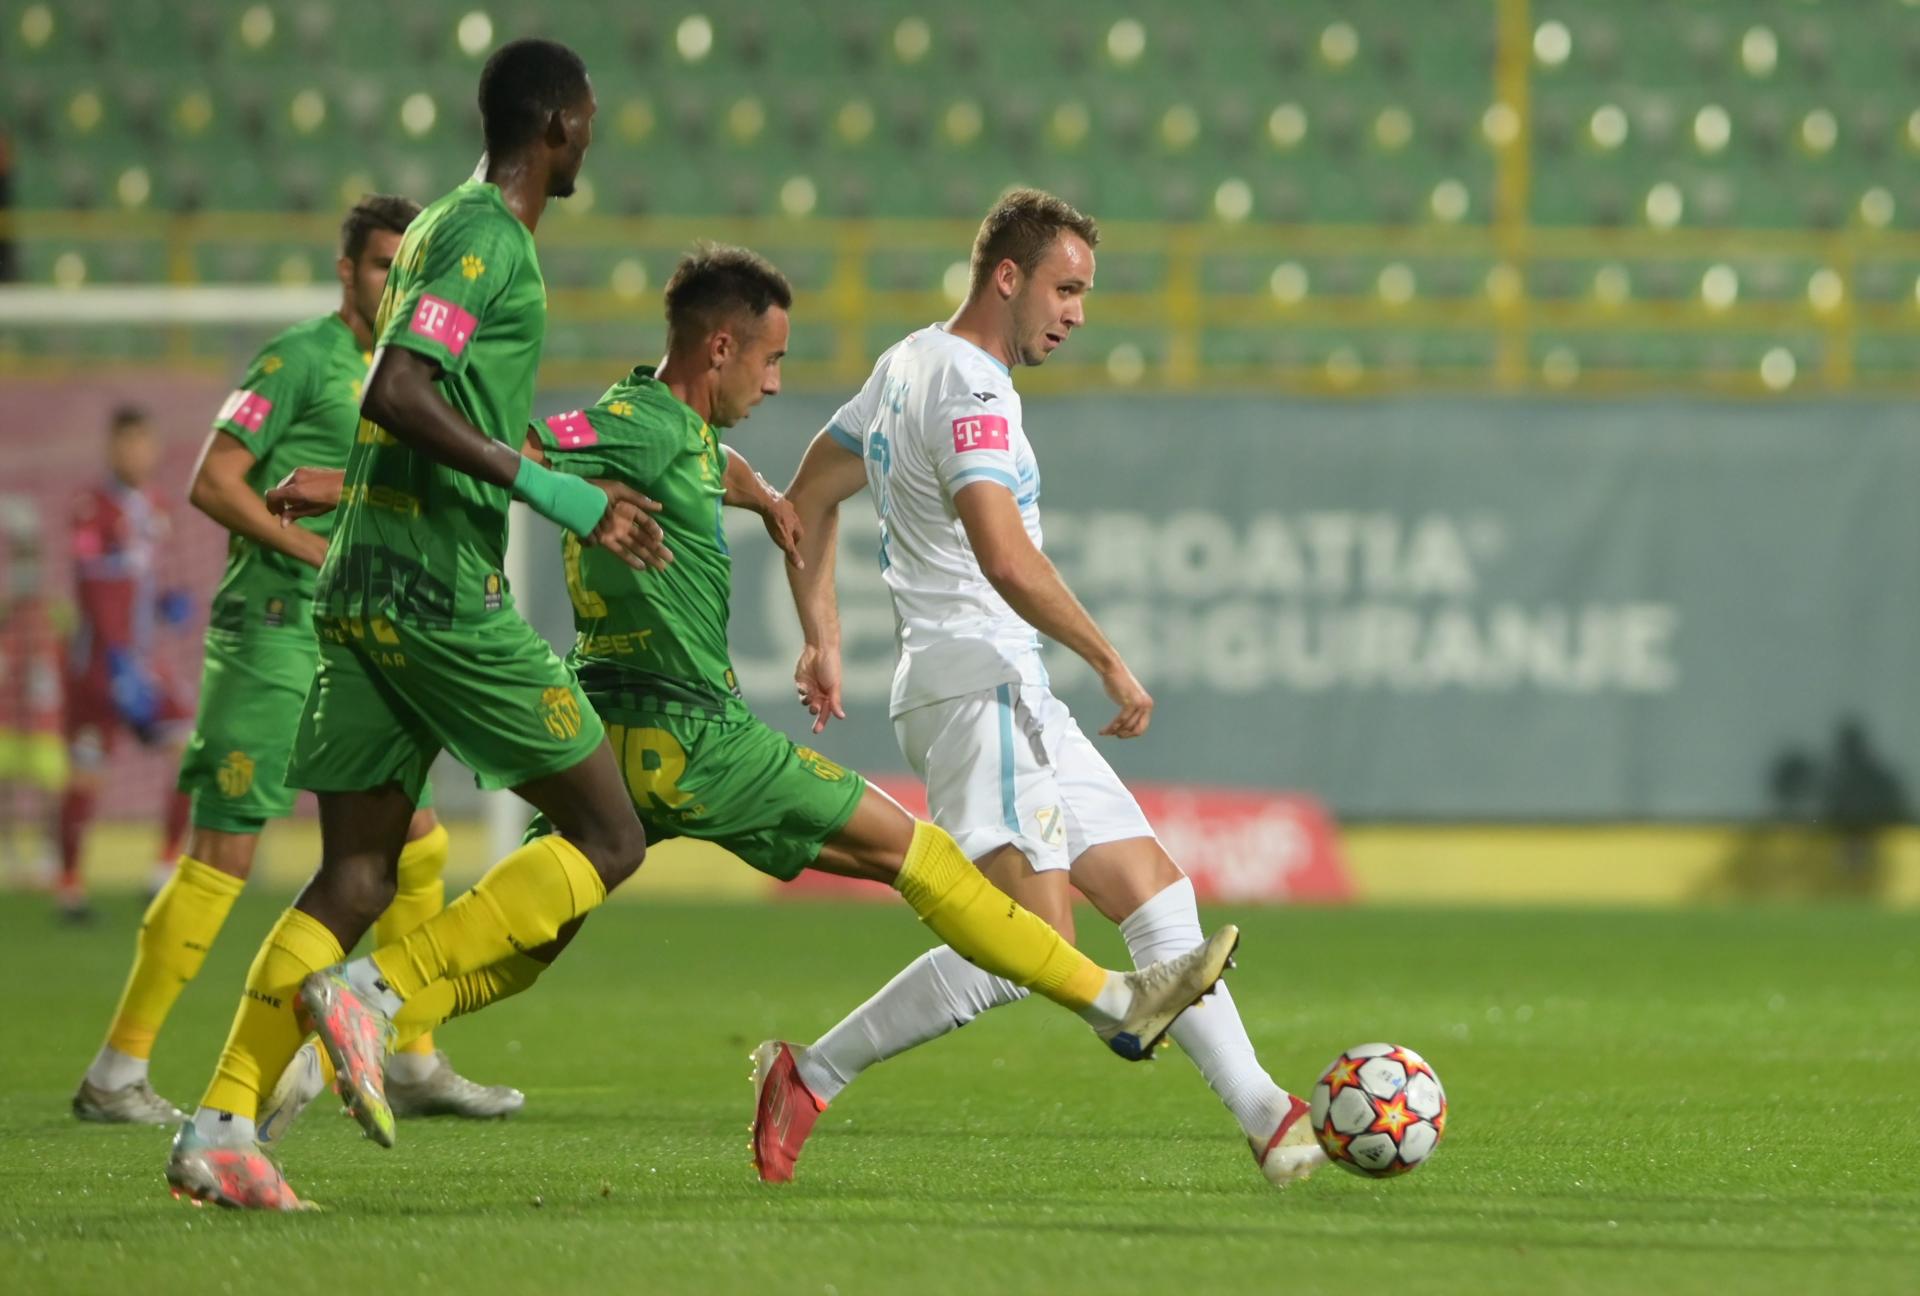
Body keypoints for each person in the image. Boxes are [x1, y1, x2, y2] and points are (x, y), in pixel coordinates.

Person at [252, 245, 1242, 1185]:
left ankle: (344, 1025)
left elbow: (699, 463)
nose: (775, 385)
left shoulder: (680, 433)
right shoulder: (632, 422)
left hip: (610, 738)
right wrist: (346, 484)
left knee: (526, 951)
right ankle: (1119, 997)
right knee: (921, 856)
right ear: (719, 347)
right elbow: (495, 454)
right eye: (769, 361)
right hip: (692, 735)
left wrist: (765, 496)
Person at [163, 37, 667, 1211]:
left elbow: (424, 398)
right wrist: (555, 496)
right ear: (558, 125)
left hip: (359, 585)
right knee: (610, 836)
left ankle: (221, 1125)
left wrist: (541, 462)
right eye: (586, 118)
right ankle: (380, 997)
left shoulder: (441, 224)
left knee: (352, 870)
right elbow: (399, 389)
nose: (591, 135)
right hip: (439, 595)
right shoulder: (493, 238)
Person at [756, 189, 1325, 1188]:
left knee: (1153, 891)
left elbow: (803, 499)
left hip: (996, 688)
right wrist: (1108, 656)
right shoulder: (972, 389)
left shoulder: (906, 362)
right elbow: (1006, 557)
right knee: (1025, 946)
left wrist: (822, 637)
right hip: (979, 686)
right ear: (1005, 275)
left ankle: (1269, 1116)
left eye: (1086, 294)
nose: (1076, 312)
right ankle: (811, 1073)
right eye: (1065, 288)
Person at [71, 196, 520, 1129]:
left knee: (420, 843)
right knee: (225, 854)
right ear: (344, 270)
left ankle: (413, 1057)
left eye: (407, 266)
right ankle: (119, 1069)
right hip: (273, 634)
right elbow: (213, 480)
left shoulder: (413, 374)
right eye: (376, 264)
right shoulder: (300, 359)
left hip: (352, 644)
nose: (391, 281)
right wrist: (326, 553)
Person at [54, 407, 194, 922]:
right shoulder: (90, 507)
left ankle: (162, 868)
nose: (137, 454)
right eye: (127, 444)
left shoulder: (156, 506)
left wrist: (172, 600)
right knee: (86, 777)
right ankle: (68, 886)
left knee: (189, 746)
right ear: (112, 448)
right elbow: (94, 583)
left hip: (143, 664)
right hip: (97, 669)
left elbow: (149, 581)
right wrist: (114, 658)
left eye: (144, 444)